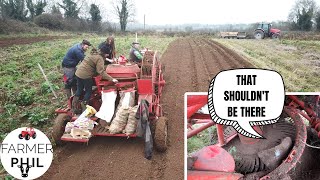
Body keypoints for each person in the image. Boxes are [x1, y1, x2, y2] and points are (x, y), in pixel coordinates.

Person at [72, 48, 118, 112]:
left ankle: (74, 106)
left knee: (79, 89)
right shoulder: (100, 58)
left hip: (78, 73)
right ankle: (84, 107)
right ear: (105, 54)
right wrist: (112, 79)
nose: (107, 55)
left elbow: (93, 65)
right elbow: (101, 71)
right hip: (86, 76)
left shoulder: (92, 54)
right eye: (107, 54)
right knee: (88, 91)